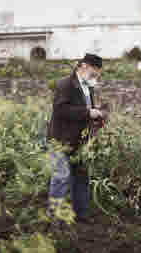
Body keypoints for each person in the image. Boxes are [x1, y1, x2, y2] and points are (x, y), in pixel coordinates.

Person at [46, 53, 105, 224]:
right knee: (61, 176)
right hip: (60, 140)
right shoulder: (65, 84)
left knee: (81, 176)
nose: (97, 77)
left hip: (80, 142)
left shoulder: (89, 87)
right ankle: (54, 218)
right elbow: (60, 110)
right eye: (95, 73)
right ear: (84, 66)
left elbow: (86, 110)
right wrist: (88, 112)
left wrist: (97, 116)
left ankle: (82, 215)